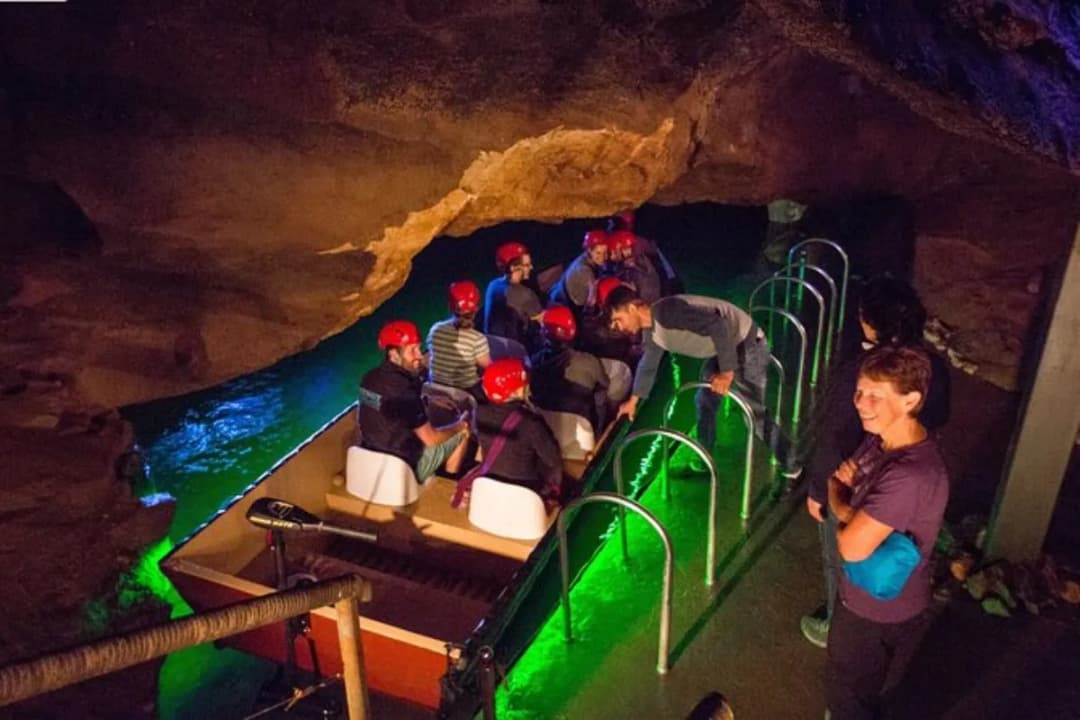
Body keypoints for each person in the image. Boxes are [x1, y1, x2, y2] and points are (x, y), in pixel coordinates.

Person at [801, 276, 951, 649]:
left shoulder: (867, 369)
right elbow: (942, 415)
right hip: (890, 487)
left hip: (858, 477)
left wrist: (824, 490)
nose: (863, 401)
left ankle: (841, 620)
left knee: (845, 559)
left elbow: (835, 430)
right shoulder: (930, 367)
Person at [825, 345, 948, 720]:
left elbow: (851, 546)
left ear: (911, 399)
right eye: (860, 391)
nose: (861, 402)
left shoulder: (909, 474)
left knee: (849, 693)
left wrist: (837, 495)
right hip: (886, 601)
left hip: (874, 612)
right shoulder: (883, 441)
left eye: (876, 396)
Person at [606, 287, 799, 475]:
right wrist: (634, 400)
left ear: (632, 308)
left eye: (618, 320)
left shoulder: (667, 312)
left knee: (754, 416)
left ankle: (792, 466)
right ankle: (704, 458)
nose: (619, 328)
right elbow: (648, 363)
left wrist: (727, 373)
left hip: (747, 344)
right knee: (704, 401)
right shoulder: (652, 332)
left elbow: (718, 325)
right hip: (723, 348)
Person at [357, 320, 471, 481]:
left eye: (419, 347)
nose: (419, 355)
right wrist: (459, 426)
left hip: (371, 457)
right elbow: (431, 440)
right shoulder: (405, 391)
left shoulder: (369, 378)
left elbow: (389, 407)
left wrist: (426, 399)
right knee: (462, 433)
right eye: (413, 350)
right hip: (402, 468)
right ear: (394, 354)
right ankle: (446, 483)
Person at [473, 358, 565, 505]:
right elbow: (553, 459)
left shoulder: (479, 412)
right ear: (519, 390)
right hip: (526, 493)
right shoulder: (532, 423)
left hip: (489, 484)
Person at [529, 305, 629, 432]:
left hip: (549, 423)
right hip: (582, 421)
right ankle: (602, 430)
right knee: (601, 395)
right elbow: (605, 383)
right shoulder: (587, 361)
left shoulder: (535, 361)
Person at [426, 280, 492, 403]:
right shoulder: (477, 339)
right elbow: (490, 368)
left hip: (436, 390)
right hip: (466, 393)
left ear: (450, 306)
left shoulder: (435, 330)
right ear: (476, 307)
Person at [483, 241, 543, 353]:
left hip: (491, 347)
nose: (531, 267)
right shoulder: (527, 295)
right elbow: (541, 324)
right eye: (526, 265)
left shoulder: (492, 285)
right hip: (514, 352)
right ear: (513, 268)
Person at [548, 230, 609, 317]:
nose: (603, 257)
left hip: (561, 298)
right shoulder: (584, 272)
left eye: (605, 252)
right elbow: (590, 305)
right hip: (560, 308)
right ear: (589, 251)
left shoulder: (587, 259)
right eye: (598, 253)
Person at [608, 229, 663, 304]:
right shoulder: (631, 264)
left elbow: (645, 295)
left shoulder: (638, 264)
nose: (612, 257)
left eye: (614, 252)